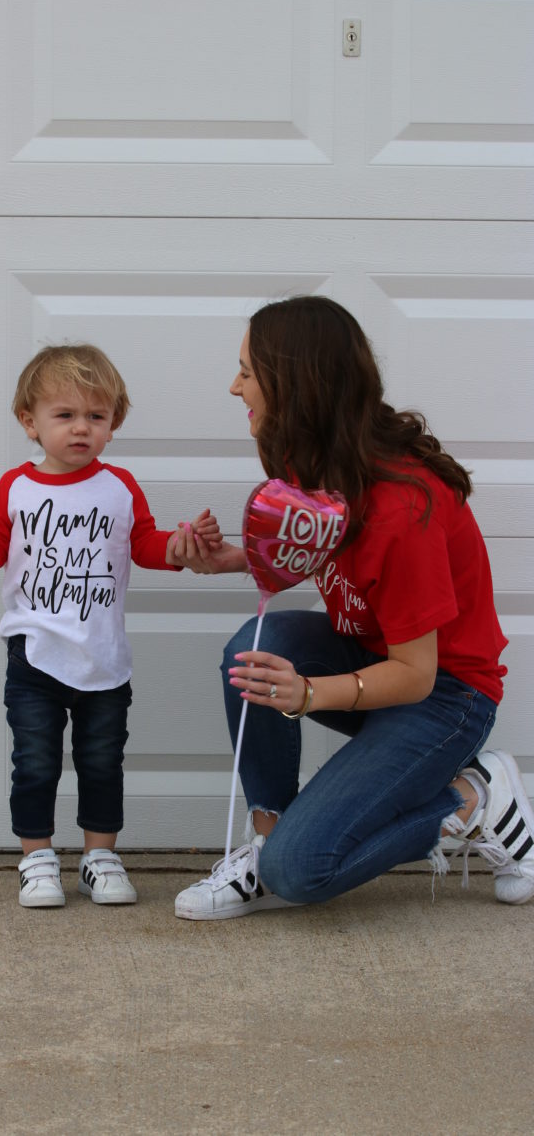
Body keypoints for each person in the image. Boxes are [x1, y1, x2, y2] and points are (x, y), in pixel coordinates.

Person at [168, 295, 534, 920]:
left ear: (296, 385)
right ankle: (266, 839)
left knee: (302, 871)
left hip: (446, 695)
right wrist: (232, 558)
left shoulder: (402, 508)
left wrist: (307, 694)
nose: (234, 387)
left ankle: (471, 800)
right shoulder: (308, 454)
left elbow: (417, 675)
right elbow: (329, 557)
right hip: (372, 657)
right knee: (254, 647)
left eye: (247, 372)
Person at [0, 343, 220, 909]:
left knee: (101, 761)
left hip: (103, 659)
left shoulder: (119, 487)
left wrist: (182, 549)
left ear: (113, 424)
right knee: (35, 762)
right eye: (65, 415)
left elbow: (145, 543)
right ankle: (37, 858)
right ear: (30, 422)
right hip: (34, 655)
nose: (81, 428)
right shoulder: (17, 487)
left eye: (97, 416)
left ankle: (99, 857)